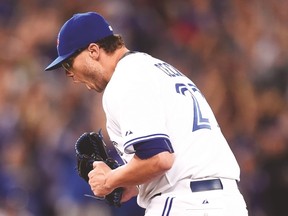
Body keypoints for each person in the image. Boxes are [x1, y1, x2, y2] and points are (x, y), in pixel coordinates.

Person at [45, 11, 248, 216]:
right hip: (228, 203)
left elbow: (159, 159)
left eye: (68, 63)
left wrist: (109, 179)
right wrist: (130, 182)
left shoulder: (125, 79)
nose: (69, 74)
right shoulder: (158, 69)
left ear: (94, 50)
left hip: (186, 204)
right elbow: (174, 158)